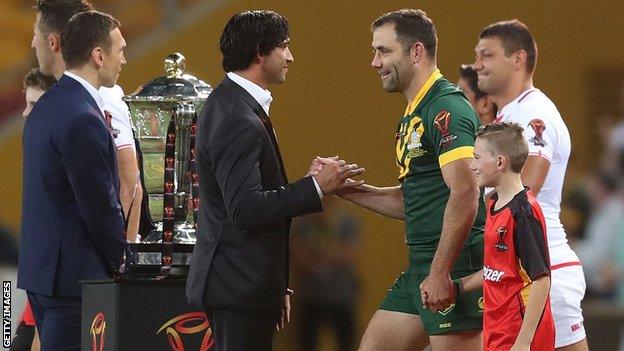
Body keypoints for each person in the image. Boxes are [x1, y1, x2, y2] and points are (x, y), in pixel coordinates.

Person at [185, 10, 364, 351]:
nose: (291, 56)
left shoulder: (230, 104)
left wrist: (276, 285)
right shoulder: (238, 117)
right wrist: (315, 187)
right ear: (258, 52)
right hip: (238, 287)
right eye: (284, 46)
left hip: (243, 285)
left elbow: (250, 197)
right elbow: (244, 208)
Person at [321, 9, 485, 351]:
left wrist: (440, 272)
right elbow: (412, 201)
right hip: (421, 268)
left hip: (454, 270)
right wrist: (343, 188)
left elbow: (467, 191)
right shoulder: (413, 112)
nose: (374, 62)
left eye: (384, 51)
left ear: (417, 52)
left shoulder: (445, 109)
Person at [473, 19, 588, 351]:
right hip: (523, 268)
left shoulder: (532, 113)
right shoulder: (508, 116)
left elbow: (527, 187)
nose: (478, 64)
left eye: (487, 55)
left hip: (539, 268)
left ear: (518, 59)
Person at [18, 11, 128, 350]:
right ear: (98, 56)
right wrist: (121, 260)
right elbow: (98, 205)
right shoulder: (82, 117)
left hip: (41, 273)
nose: (124, 58)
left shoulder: (45, 107)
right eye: (119, 50)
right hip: (74, 280)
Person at [29, 0, 142, 242]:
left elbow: (128, 180)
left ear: (53, 42)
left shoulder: (103, 95)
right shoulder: (60, 98)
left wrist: (123, 255)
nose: (32, 43)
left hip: (92, 260)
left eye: (36, 34)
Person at [456, 121, 555, 351]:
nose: (472, 165)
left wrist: (523, 342)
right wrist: (458, 287)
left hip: (518, 335)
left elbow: (541, 280)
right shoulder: (493, 204)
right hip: (497, 330)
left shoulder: (523, 213)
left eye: (477, 157)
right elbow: (498, 270)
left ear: (500, 162)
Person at [10, 68, 55, 351]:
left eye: (34, 104)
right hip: (31, 297)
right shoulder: (37, 154)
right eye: (25, 104)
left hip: (49, 302)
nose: (25, 113)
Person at [291, 197, 361, 351]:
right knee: (307, 343)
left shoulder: (346, 222)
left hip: (341, 296)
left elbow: (351, 252)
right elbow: (297, 253)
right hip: (311, 295)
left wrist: (321, 255)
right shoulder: (303, 223)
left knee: (346, 343)